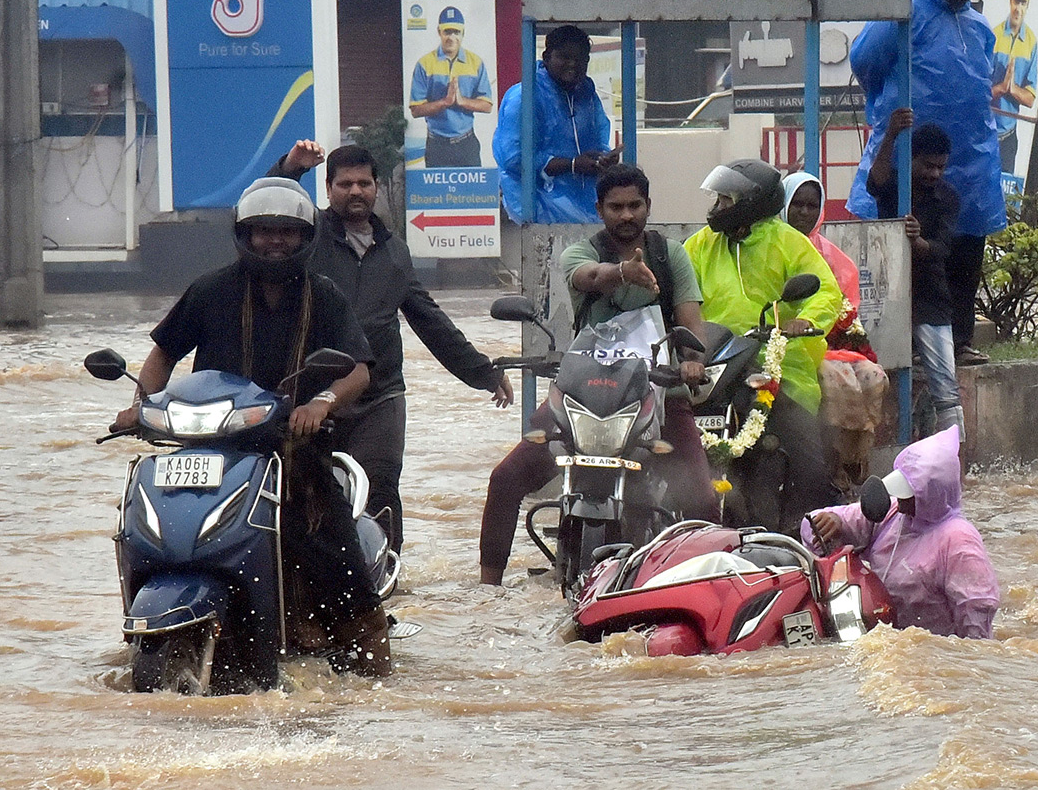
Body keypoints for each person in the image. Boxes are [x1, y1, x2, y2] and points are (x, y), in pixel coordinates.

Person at [110, 177, 394, 675]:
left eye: (285, 232)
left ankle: (367, 638)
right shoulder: (211, 289)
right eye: (263, 231)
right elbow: (161, 356)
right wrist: (143, 405)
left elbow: (358, 369)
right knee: (147, 521)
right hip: (207, 445)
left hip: (291, 447)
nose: (274, 241)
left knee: (327, 537)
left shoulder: (323, 295)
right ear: (245, 233)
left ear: (304, 237)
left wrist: (322, 403)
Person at [269, 142, 514, 553]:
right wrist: (290, 168)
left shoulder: (395, 252)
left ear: (377, 188)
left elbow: (430, 321)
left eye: (364, 182)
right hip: (309, 395)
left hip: (380, 396)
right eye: (344, 183)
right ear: (327, 189)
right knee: (304, 495)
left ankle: (386, 584)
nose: (355, 191)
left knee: (378, 492)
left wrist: (483, 372)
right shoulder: (307, 239)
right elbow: (270, 210)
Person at [480, 163, 717, 585]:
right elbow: (586, 277)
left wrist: (692, 359)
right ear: (600, 210)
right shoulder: (582, 252)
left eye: (635, 205)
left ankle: (708, 583)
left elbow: (691, 323)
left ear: (648, 206)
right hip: (582, 393)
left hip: (657, 393)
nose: (626, 215)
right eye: (616, 207)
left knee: (701, 497)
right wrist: (624, 273)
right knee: (505, 479)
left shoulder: (671, 255)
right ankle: (486, 589)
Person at [846, 0, 1004, 367]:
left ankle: (961, 339)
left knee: (964, 248)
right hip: (907, 155)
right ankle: (904, 344)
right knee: (899, 254)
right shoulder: (907, 11)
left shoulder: (981, 27)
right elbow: (864, 60)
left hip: (969, 161)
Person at [683, 159, 844, 535]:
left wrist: (803, 321)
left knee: (810, 465)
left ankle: (799, 536)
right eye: (718, 199)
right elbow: (676, 290)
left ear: (752, 202)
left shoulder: (788, 241)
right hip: (712, 366)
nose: (718, 207)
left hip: (778, 369)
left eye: (727, 200)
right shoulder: (702, 245)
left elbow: (826, 291)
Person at [801, 426, 1000, 639]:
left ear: (932, 495)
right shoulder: (894, 512)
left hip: (929, 648)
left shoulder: (959, 541)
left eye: (909, 494)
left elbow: (977, 612)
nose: (901, 498)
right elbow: (821, 523)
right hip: (871, 631)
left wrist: (968, 656)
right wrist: (833, 521)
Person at [782, 171, 889, 492]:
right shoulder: (775, 247)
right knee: (834, 379)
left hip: (831, 342)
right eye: (796, 204)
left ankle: (853, 462)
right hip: (787, 345)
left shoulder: (830, 256)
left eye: (811, 205)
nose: (804, 212)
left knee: (873, 376)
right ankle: (830, 467)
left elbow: (844, 312)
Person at [868, 110, 964, 439]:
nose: (934, 173)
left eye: (941, 167)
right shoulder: (895, 184)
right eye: (928, 165)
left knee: (945, 388)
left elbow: (942, 248)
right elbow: (874, 182)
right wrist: (891, 135)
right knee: (876, 373)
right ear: (913, 159)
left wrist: (918, 241)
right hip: (889, 294)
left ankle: (953, 457)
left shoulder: (948, 198)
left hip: (930, 298)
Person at [492, 24, 621, 224]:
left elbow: (597, 141)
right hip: (537, 213)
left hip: (589, 212)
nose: (573, 65)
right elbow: (514, 159)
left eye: (580, 60)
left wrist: (602, 160)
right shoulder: (525, 97)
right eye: (564, 57)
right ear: (546, 57)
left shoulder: (586, 94)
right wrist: (572, 165)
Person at [409, 6, 493, 168]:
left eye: (456, 32)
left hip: (466, 144)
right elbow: (416, 110)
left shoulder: (475, 62)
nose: (451, 37)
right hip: (436, 145)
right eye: (447, 32)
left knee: (472, 194)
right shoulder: (424, 64)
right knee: (436, 194)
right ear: (439, 32)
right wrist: (445, 102)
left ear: (463, 34)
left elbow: (487, 105)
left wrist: (461, 101)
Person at [991, 0, 1038, 175]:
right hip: (987, 134)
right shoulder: (992, 36)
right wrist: (1001, 88)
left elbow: (1030, 99)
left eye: (1023, 3)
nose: (1018, 8)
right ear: (1010, 0)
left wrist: (1012, 89)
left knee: (1007, 198)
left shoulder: (1031, 42)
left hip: (1010, 137)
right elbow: (977, 93)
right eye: (1016, 1)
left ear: (1028, 6)